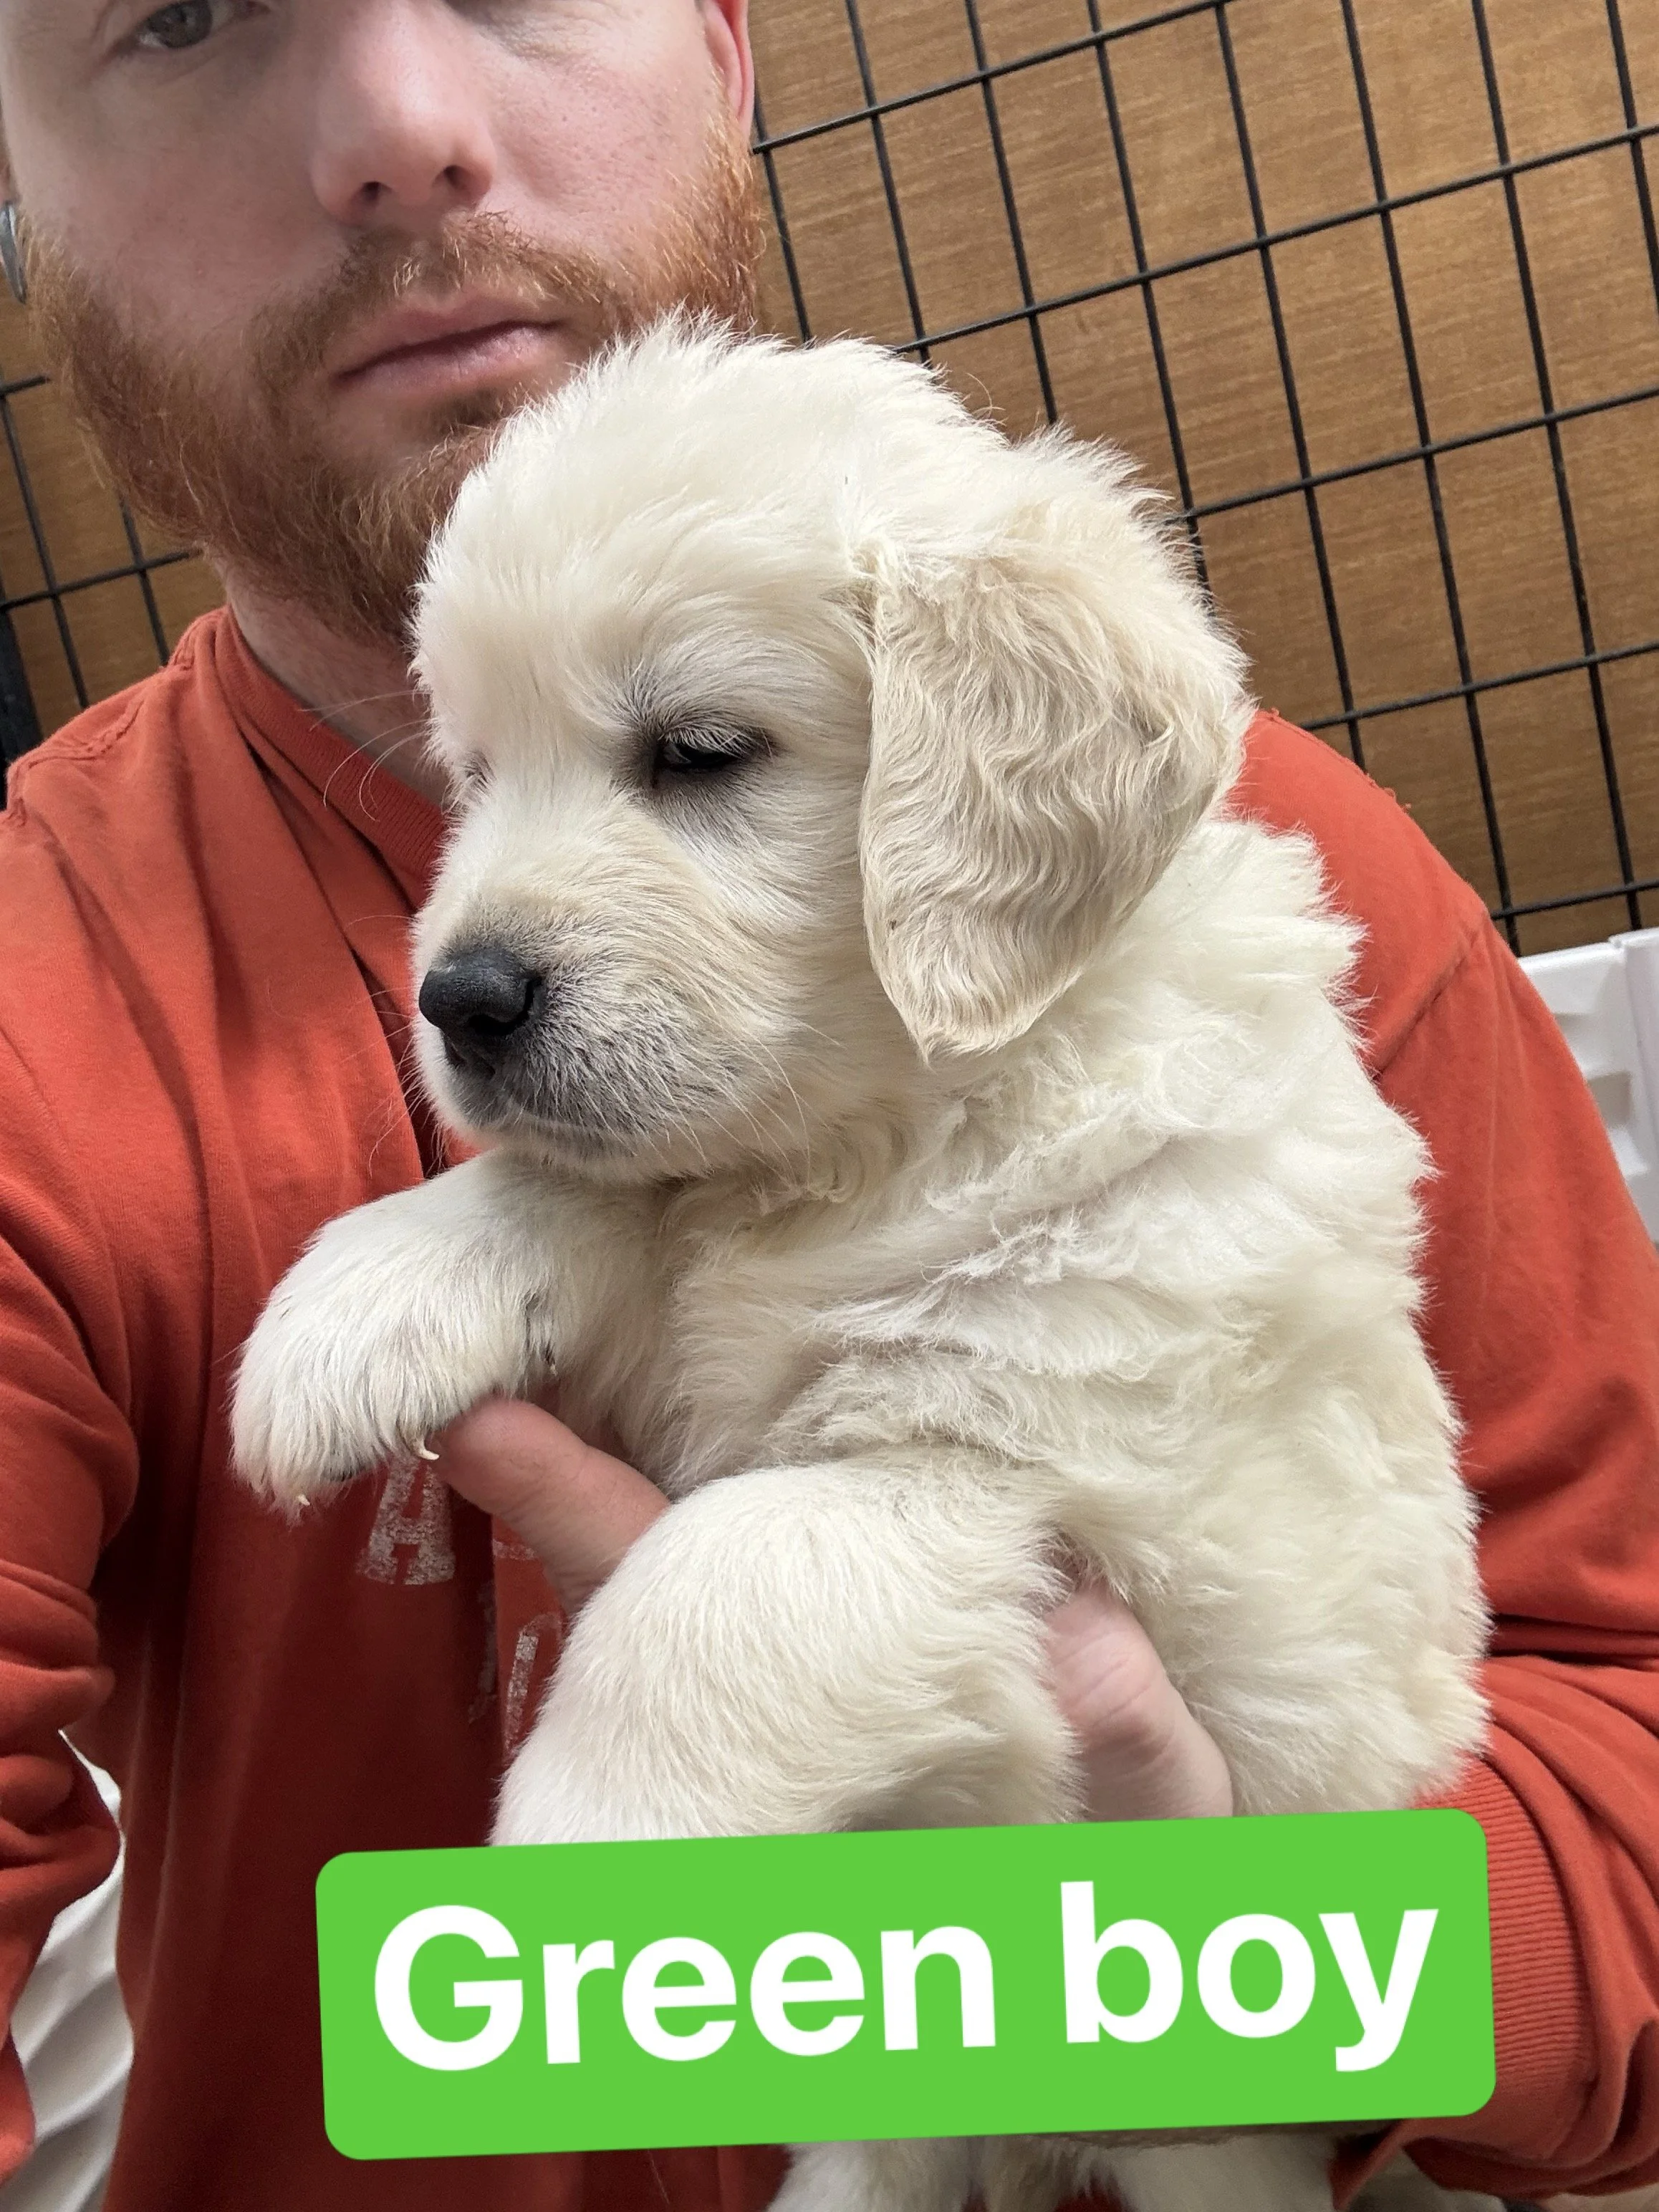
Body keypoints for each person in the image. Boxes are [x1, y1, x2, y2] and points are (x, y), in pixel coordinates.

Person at [0, 3, 1653, 2208]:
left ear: (719, 42)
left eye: (695, 759)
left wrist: (1188, 1973)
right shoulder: (44, 994)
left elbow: (1621, 1817)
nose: (399, 128)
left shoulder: (1280, 906)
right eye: (187, 5)